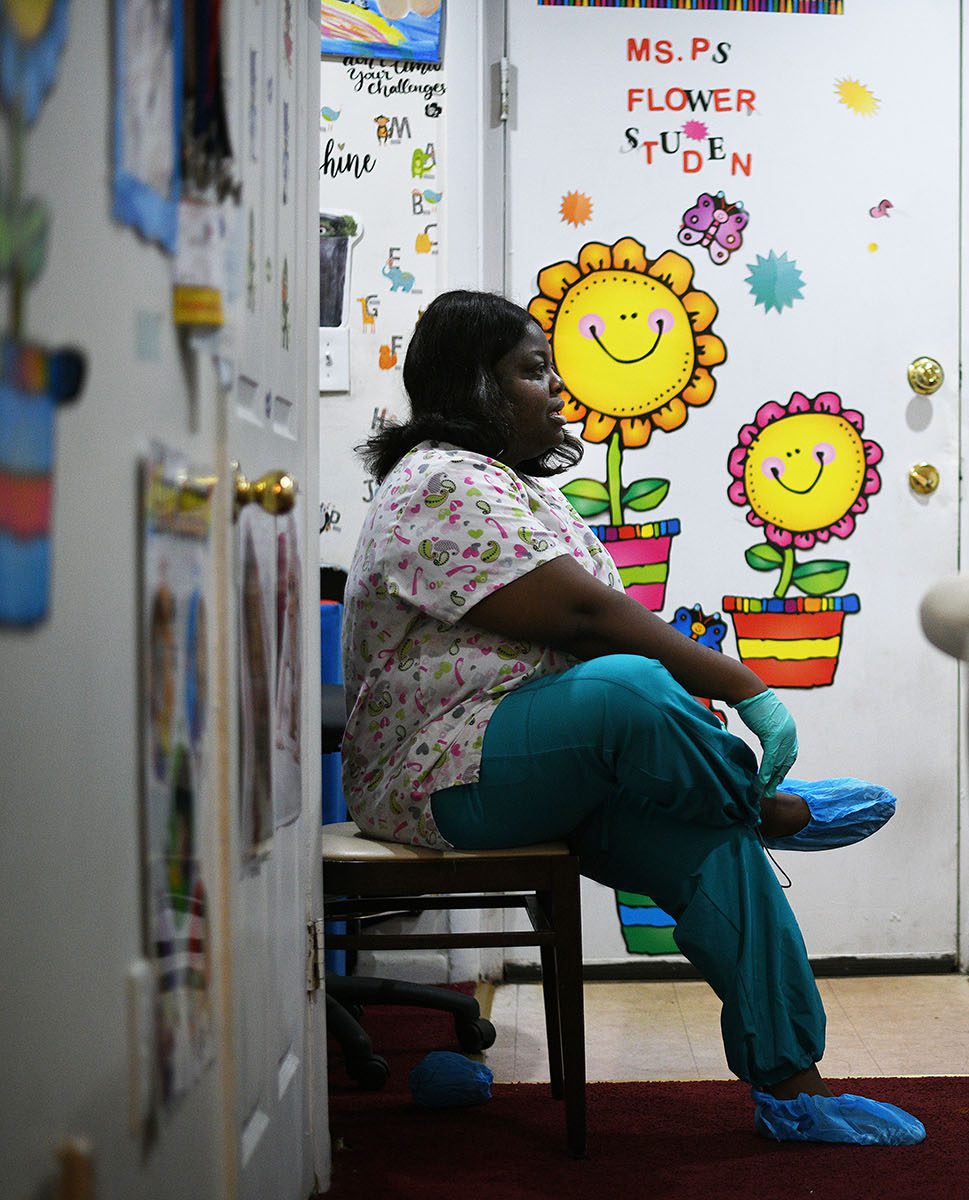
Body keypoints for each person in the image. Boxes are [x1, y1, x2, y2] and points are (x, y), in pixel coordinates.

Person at [339, 289, 921, 1146]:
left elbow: (596, 638)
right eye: (534, 371)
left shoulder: (521, 492)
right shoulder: (438, 481)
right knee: (629, 690)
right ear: (477, 388)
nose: (557, 390)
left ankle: (794, 1088)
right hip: (436, 777)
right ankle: (761, 805)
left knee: (714, 845)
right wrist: (746, 687)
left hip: (551, 764)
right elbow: (585, 623)